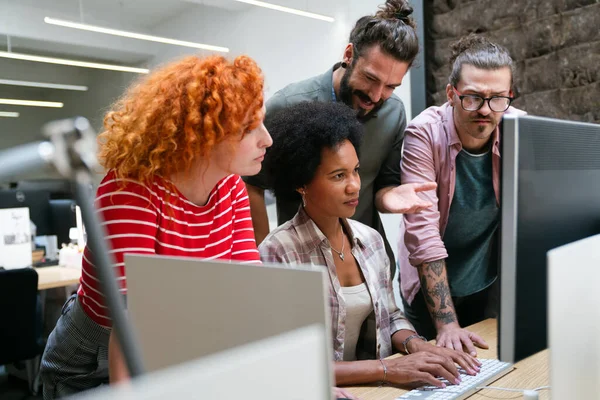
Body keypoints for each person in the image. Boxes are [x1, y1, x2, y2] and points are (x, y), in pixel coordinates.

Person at [39, 55, 272, 399]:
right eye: (249, 129)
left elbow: (245, 293)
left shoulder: (232, 188)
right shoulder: (131, 190)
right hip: (93, 360)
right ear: (205, 134)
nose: (267, 139)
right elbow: (131, 324)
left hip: (173, 341)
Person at [259, 101, 481, 389]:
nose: (354, 186)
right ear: (302, 183)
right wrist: (387, 368)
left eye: (356, 171)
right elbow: (285, 362)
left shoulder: (370, 240)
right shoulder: (277, 252)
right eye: (339, 176)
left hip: (375, 390)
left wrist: (418, 346)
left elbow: (390, 317)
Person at [245, 0, 436, 277]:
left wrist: (390, 197)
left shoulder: (393, 113)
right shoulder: (288, 106)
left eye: (391, 86)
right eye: (371, 78)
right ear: (349, 54)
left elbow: (382, 186)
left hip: (366, 267)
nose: (376, 95)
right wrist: (261, 264)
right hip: (303, 268)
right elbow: (252, 186)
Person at [398, 35, 526, 355]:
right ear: (451, 94)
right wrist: (446, 323)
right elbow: (423, 231)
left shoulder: (519, 129)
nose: (485, 110)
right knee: (438, 371)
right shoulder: (423, 133)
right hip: (430, 294)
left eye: (497, 98)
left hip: (484, 282)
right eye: (472, 97)